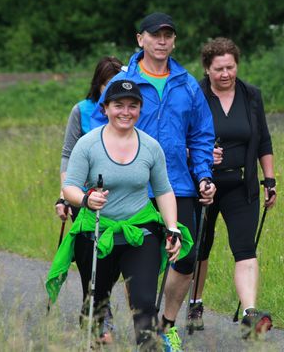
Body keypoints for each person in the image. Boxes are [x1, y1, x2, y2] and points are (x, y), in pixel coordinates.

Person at [92, 12, 216, 348]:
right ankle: (144, 328)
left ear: (174, 41)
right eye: (155, 35)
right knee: (136, 262)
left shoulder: (186, 84)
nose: (162, 41)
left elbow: (202, 134)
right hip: (133, 186)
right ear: (140, 39)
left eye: (168, 35)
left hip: (178, 185)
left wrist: (204, 175)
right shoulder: (125, 81)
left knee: (186, 258)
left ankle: (167, 324)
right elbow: (99, 125)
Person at [46, 80, 193, 349]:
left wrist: (172, 227)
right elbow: (70, 188)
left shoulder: (150, 146)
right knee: (96, 304)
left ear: (140, 109)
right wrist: (87, 199)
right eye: (118, 105)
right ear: (105, 108)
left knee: (144, 303)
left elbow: (164, 190)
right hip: (96, 232)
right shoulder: (88, 144)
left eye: (132, 106)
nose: (126, 112)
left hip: (139, 232)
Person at [188, 37, 276, 338]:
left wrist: (269, 180)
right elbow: (180, 139)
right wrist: (200, 154)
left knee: (245, 247)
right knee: (201, 248)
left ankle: (250, 314)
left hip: (241, 184)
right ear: (207, 69)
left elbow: (263, 140)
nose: (225, 74)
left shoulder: (251, 95)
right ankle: (195, 304)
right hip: (202, 186)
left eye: (230, 67)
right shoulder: (194, 95)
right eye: (219, 69)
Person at [54, 55, 122, 340]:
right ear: (98, 84)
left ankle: (96, 308)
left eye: (117, 83)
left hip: (119, 198)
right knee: (89, 260)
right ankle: (99, 315)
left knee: (112, 263)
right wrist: (64, 196)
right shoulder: (81, 111)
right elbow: (67, 154)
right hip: (83, 197)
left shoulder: (128, 112)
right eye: (107, 84)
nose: (112, 90)